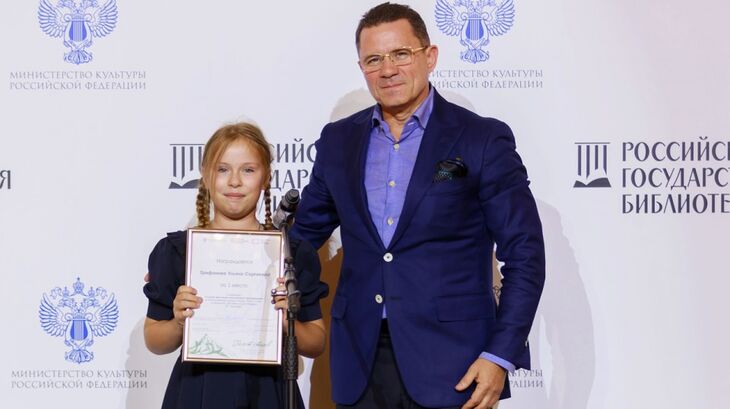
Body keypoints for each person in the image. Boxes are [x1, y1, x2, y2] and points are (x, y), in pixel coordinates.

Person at [290, 3, 545, 409]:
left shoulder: (481, 139)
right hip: (359, 362)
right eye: (374, 59)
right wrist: (221, 258)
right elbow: (300, 239)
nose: (388, 69)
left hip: (456, 365)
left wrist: (500, 355)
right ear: (361, 68)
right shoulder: (338, 141)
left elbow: (525, 254)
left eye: (400, 54)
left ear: (430, 57)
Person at [143, 122, 328, 409]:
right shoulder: (177, 251)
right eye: (222, 169)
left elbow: (316, 342)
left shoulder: (291, 253)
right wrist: (179, 322)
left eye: (248, 170)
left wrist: (285, 322)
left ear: (266, 177)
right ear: (206, 175)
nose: (234, 181)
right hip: (197, 390)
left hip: (270, 391)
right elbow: (154, 340)